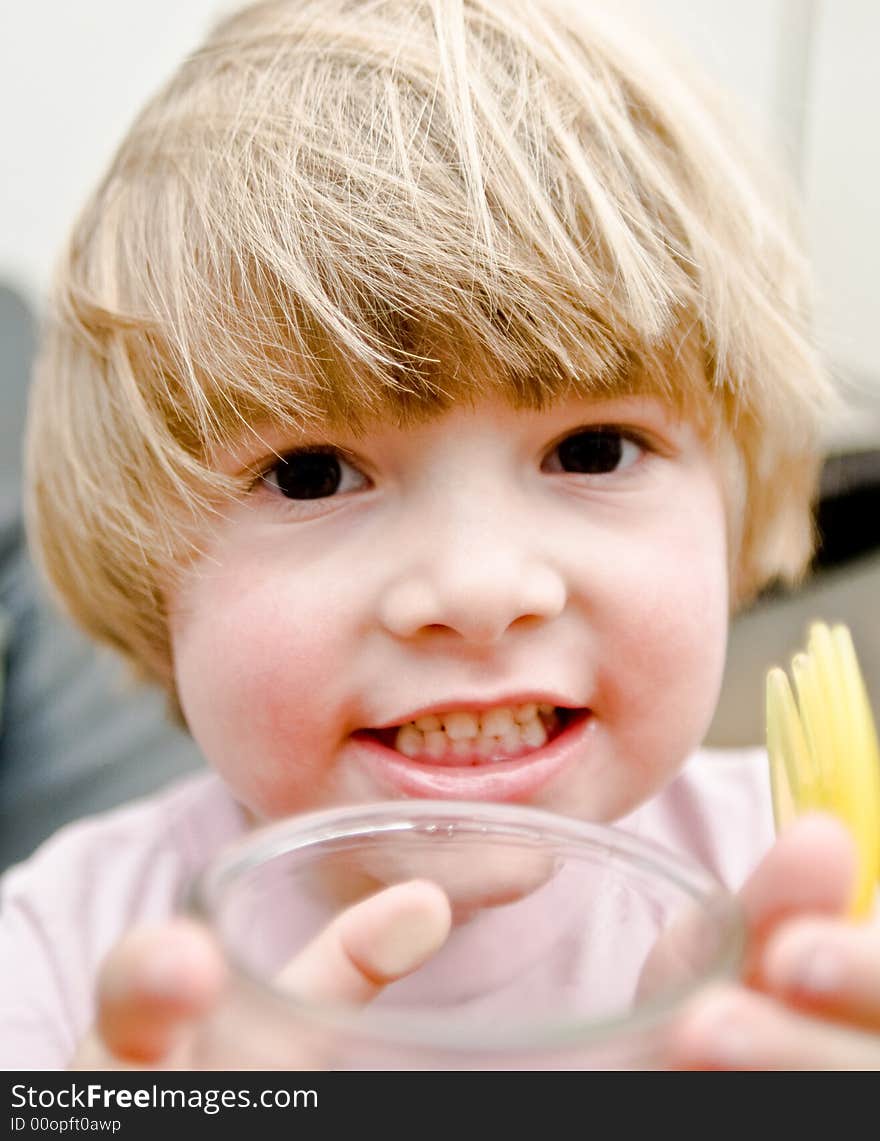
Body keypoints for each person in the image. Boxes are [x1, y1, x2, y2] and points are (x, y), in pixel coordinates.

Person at [3, 0, 877, 1070]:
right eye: (312, 473)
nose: (475, 586)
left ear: (737, 501)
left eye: (595, 449)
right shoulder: (50, 969)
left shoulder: (826, 895)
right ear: (145, 572)